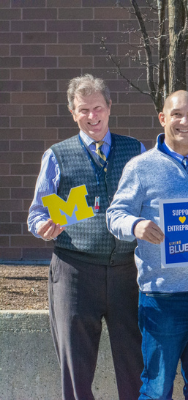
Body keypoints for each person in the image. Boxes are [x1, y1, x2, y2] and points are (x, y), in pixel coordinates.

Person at [106, 90, 188, 399]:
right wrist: (136, 225)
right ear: (162, 118)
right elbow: (115, 215)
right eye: (177, 114)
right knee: (157, 390)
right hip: (163, 297)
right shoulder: (140, 167)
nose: (185, 121)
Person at [27, 74, 144, 400]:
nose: (92, 117)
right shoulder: (56, 156)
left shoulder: (136, 150)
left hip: (127, 272)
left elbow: (154, 200)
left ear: (109, 107)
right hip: (74, 273)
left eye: (97, 108)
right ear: (72, 112)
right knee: (76, 372)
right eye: (83, 110)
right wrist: (43, 227)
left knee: (135, 366)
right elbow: (36, 215)